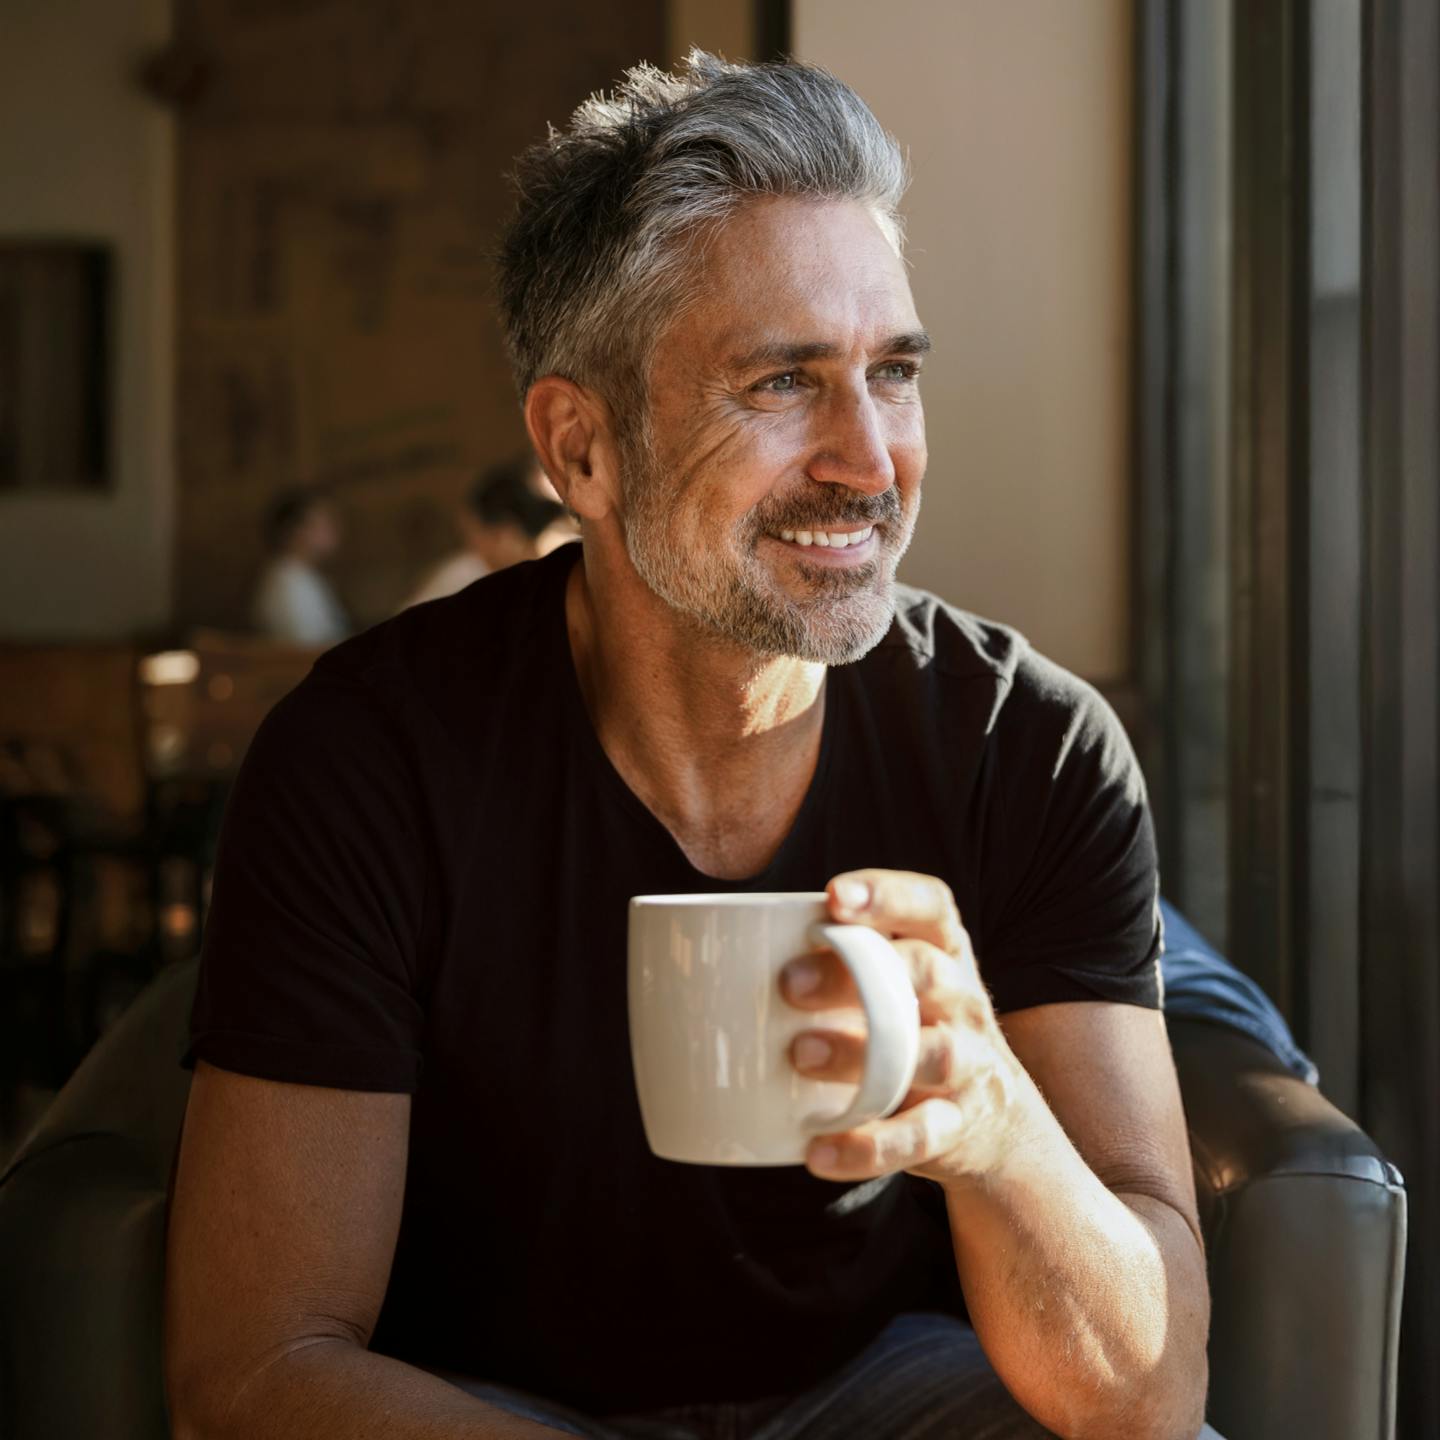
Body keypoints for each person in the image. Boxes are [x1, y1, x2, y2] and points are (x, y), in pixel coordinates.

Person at [166, 53, 1218, 1440]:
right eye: (783, 381)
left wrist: (996, 1127)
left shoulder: (1029, 747)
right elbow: (256, 1367)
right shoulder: (366, 762)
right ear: (581, 451)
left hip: (894, 1390)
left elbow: (1150, 1396)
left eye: (893, 373)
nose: (870, 460)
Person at [401, 455, 575, 609]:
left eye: (474, 536)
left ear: (504, 535)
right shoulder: (464, 577)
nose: (474, 548)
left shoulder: (467, 575)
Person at [250, 486, 349, 645]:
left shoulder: (304, 575)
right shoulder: (286, 584)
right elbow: (306, 649)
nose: (333, 530)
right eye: (322, 524)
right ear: (295, 531)